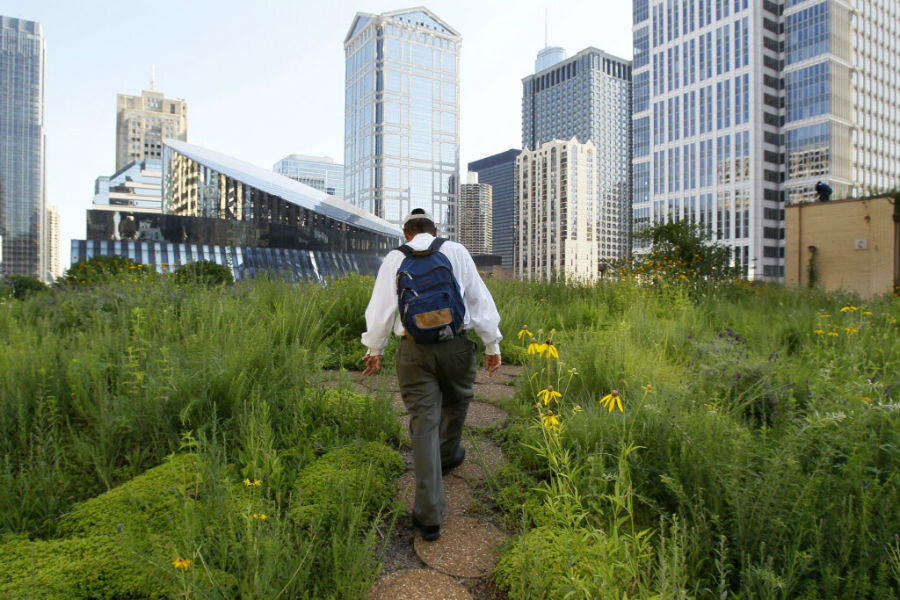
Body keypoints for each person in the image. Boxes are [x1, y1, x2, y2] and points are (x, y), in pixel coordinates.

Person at [361, 209, 502, 541]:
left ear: (406, 233)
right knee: (458, 401)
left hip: (413, 350)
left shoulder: (395, 258)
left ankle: (428, 516)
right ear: (435, 230)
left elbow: (381, 309)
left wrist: (375, 349)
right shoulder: (455, 251)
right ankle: (449, 453)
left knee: (423, 422)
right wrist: (491, 343)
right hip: (456, 346)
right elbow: (478, 299)